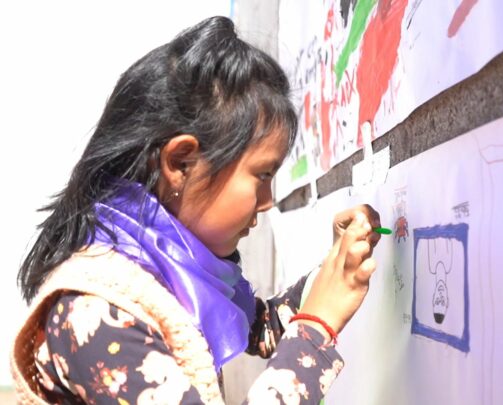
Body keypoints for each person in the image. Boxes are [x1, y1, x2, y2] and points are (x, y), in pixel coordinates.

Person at [11, 16, 383, 405]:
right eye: (262, 175)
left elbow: (265, 326)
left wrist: (339, 266)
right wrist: (315, 330)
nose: (268, 200)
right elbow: (289, 329)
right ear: (181, 163)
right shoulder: (98, 313)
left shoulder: (170, 273)